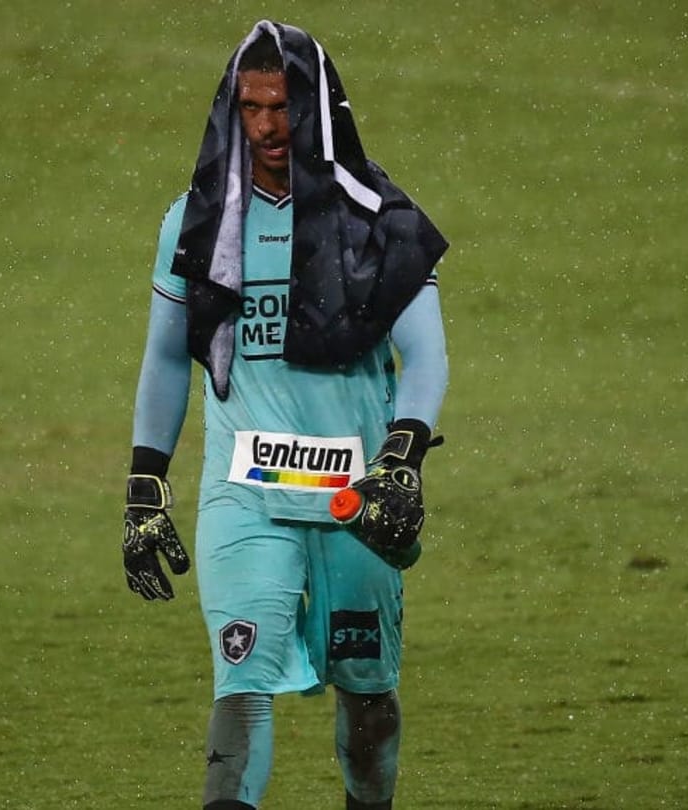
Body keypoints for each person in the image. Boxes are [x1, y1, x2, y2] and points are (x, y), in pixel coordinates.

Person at [120, 21, 450, 810]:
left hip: (356, 503)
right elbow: (167, 358)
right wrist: (144, 483)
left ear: (318, 105)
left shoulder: (377, 219)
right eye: (252, 106)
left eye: (284, 103)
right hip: (245, 496)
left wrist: (401, 457)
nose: (269, 125)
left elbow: (426, 356)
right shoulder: (196, 224)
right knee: (242, 683)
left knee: (368, 696)